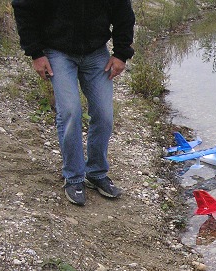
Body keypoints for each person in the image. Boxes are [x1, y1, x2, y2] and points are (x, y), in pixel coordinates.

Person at [11, 0, 135, 206]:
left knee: (104, 115)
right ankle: (74, 177)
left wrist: (121, 53)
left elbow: (123, 12)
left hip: (96, 52)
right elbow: (23, 6)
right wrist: (35, 53)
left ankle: (96, 173)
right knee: (70, 112)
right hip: (57, 52)